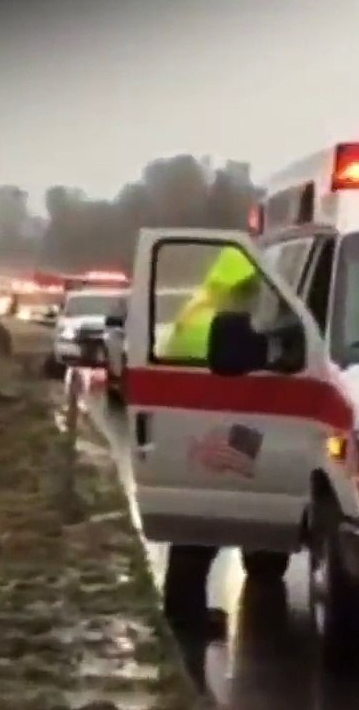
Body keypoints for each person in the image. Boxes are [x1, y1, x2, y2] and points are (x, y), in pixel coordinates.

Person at [156, 246, 260, 641]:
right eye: (249, 290)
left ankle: (186, 611)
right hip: (207, 425)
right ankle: (184, 618)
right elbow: (236, 375)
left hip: (195, 424)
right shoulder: (215, 320)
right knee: (199, 535)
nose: (254, 298)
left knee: (197, 533)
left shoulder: (201, 309)